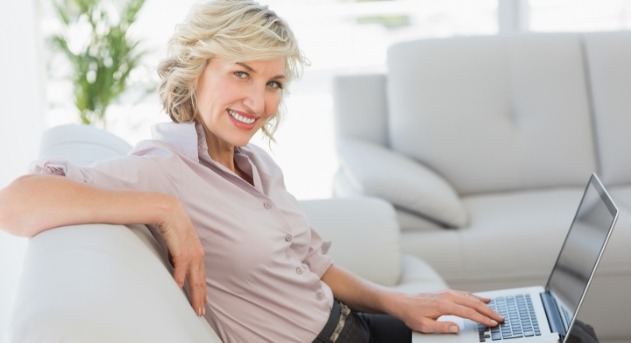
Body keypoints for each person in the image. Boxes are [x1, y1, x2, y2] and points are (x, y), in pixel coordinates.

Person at [0, 1, 503, 342]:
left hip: (355, 325)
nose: (259, 102)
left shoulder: (256, 163)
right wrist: (164, 210)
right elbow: (15, 203)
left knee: (531, 328)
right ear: (196, 72)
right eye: (241, 73)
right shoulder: (162, 170)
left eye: (274, 83)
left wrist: (399, 302)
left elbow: (314, 265)